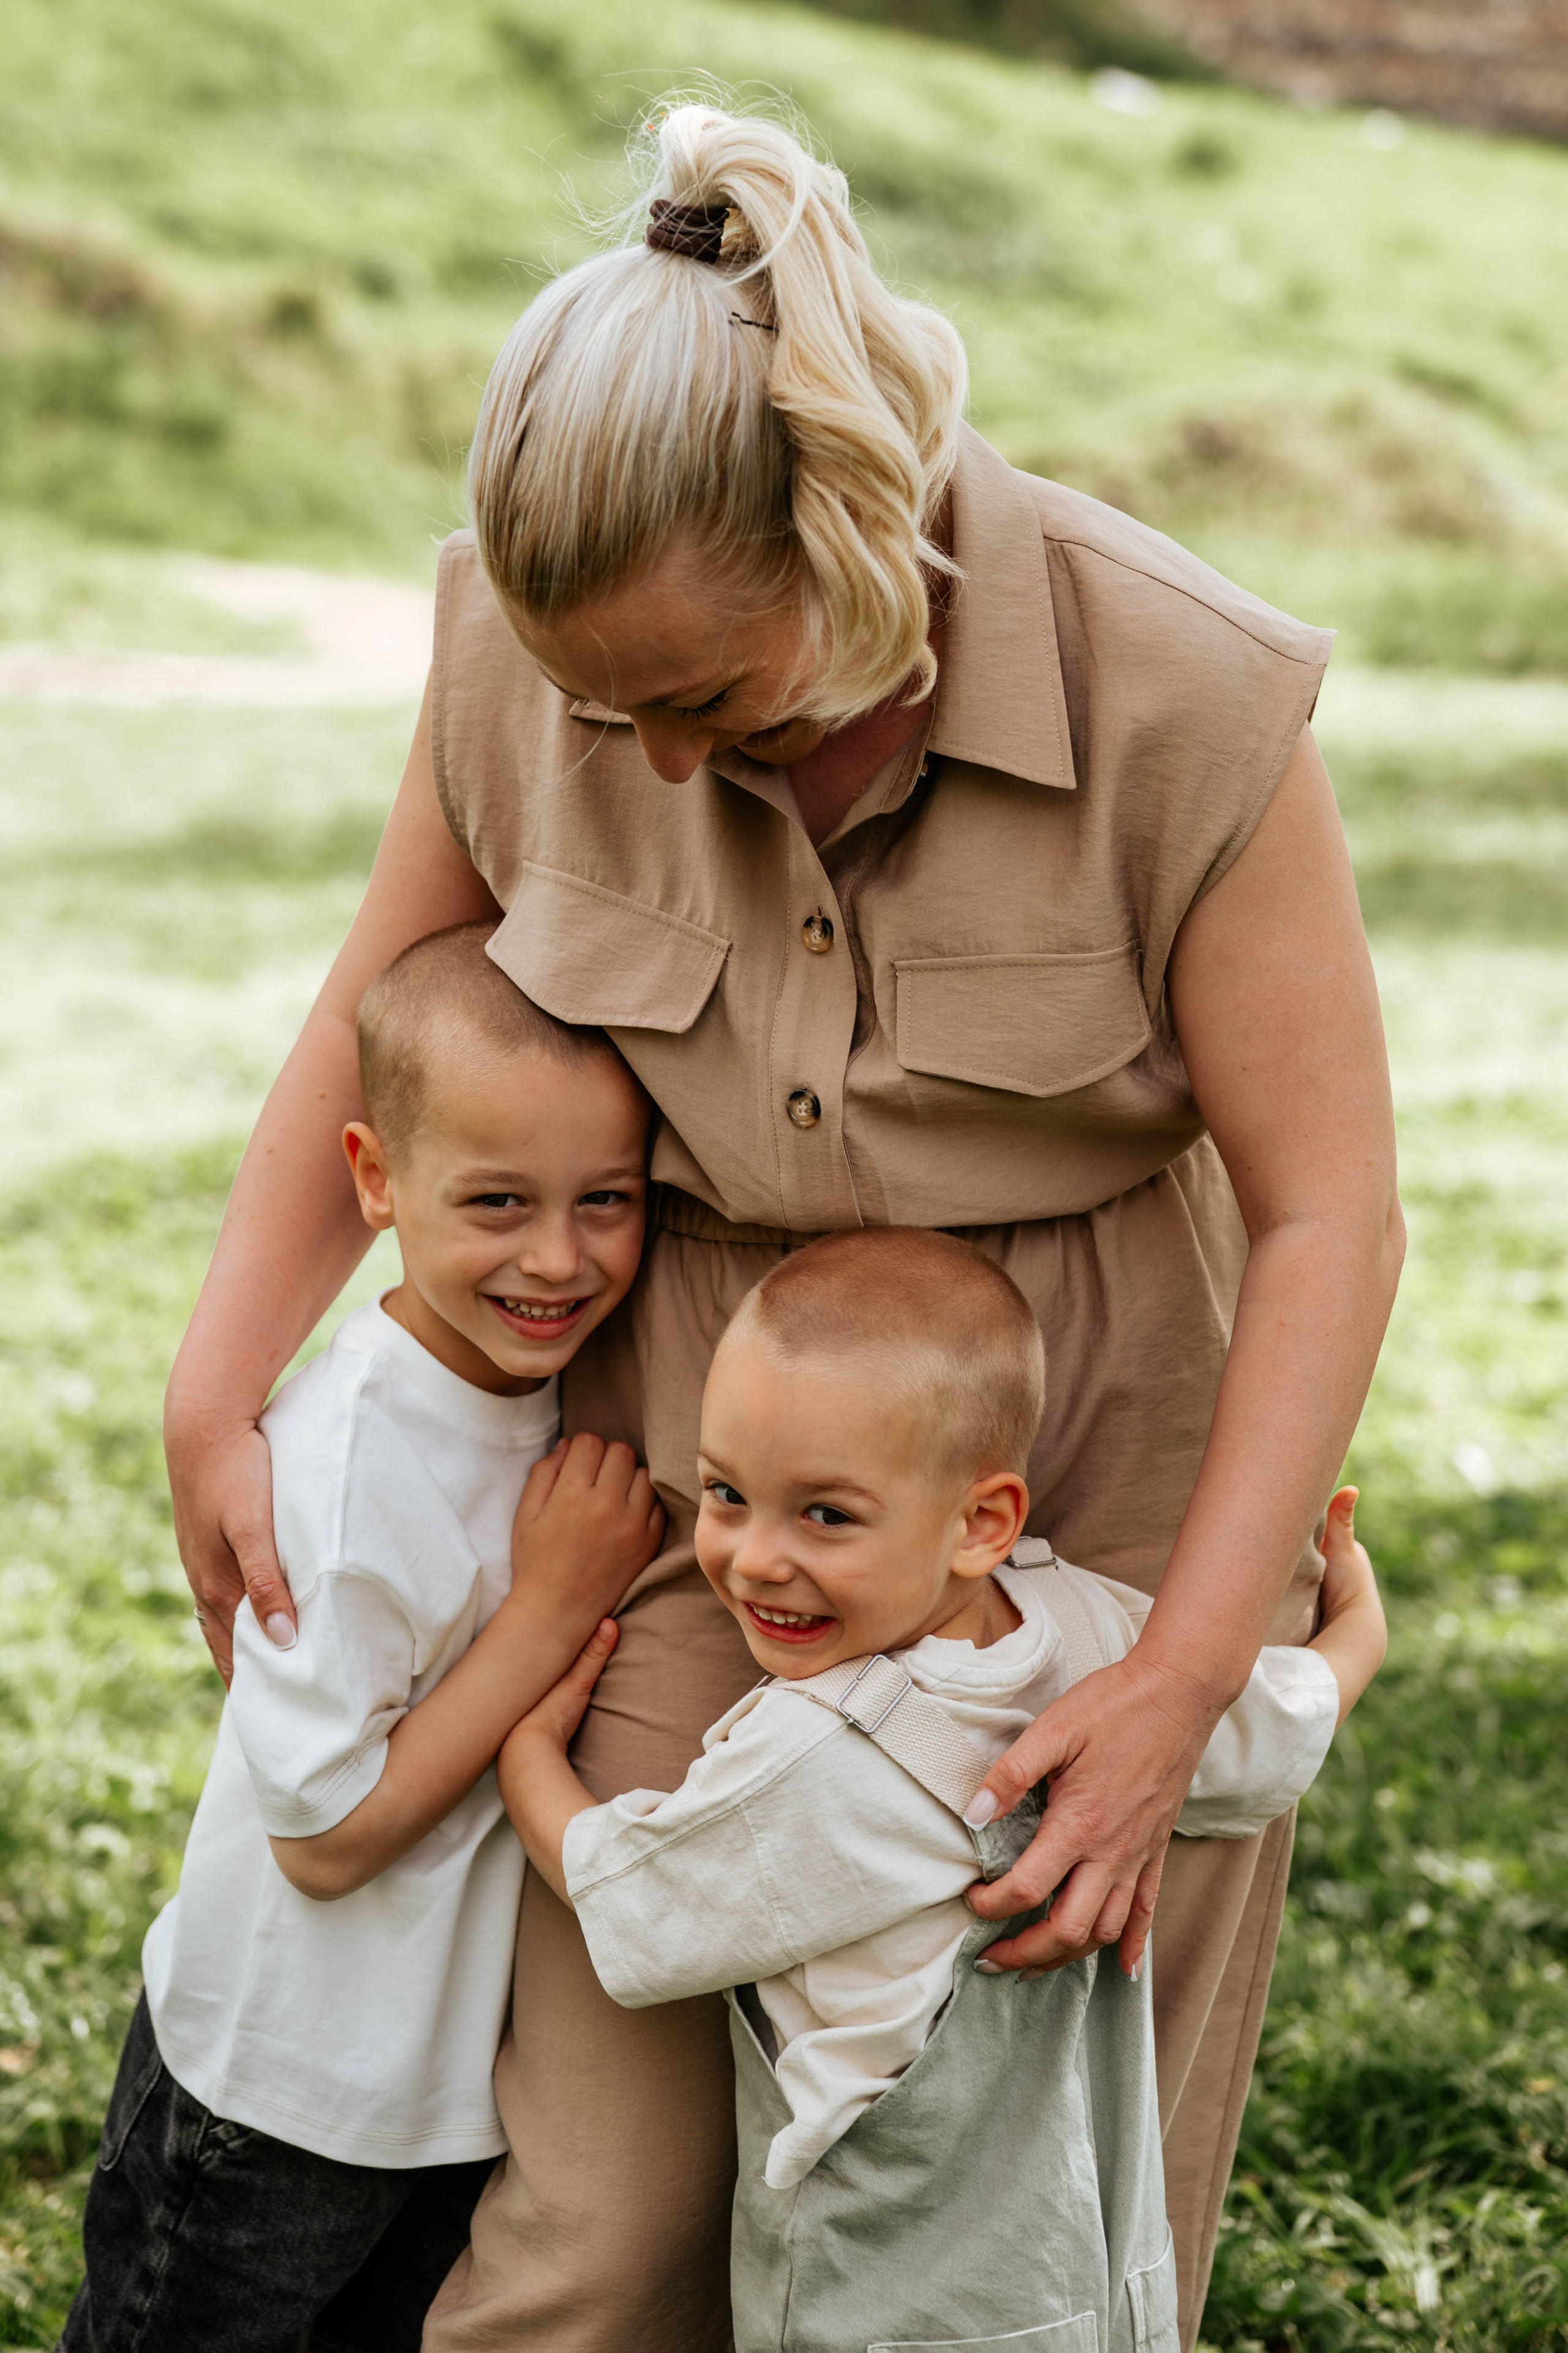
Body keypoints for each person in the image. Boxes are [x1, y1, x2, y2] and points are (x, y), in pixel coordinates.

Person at [163, 100, 1404, 2353]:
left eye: (704, 702)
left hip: (1086, 1435)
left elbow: (1330, 1211)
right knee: (606, 2215)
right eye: (591, 707)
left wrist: (1184, 1674)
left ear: (860, 543)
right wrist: (215, 1378)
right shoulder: (530, 661)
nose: (638, 763)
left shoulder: (1190, 697)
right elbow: (374, 1017)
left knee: (1030, 2191)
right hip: (694, 1445)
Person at [500, 1230, 1389, 2353]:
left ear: (983, 1522)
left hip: (878, 2302)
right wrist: (1363, 1626)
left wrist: (524, 1746)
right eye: (726, 1492)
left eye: (825, 1513)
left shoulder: (816, 1756)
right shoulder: (1099, 1645)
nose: (757, 1557)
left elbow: (629, 1894)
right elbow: (1267, 1721)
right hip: (1085, 2280)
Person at [59, 927, 664, 2353]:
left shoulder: (538, 1391)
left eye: (609, 1200)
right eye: (498, 1200)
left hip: (435, 2099)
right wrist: (545, 1616)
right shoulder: (337, 1473)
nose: (558, 1256)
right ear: (376, 1179)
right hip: (270, 2102)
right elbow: (325, 1837)